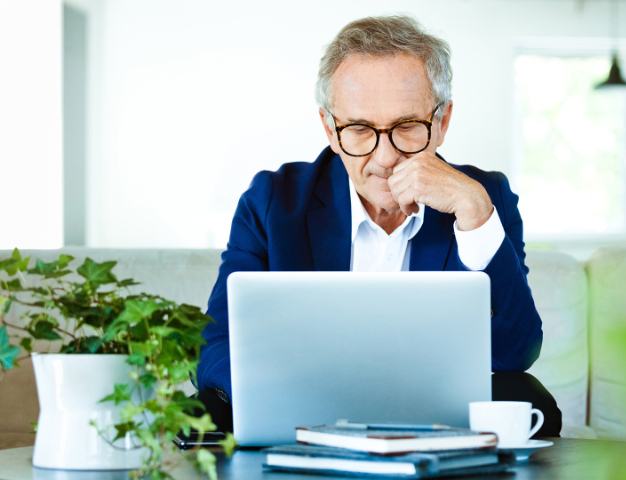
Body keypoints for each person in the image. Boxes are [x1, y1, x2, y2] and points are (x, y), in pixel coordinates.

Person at [196, 15, 561, 436]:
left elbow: (516, 351)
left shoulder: (486, 196)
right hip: (302, 413)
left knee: (528, 396)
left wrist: (476, 215)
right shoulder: (272, 201)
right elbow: (214, 345)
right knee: (206, 407)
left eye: (407, 127)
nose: (385, 158)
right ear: (330, 129)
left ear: (441, 122)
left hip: (440, 418)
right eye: (360, 129)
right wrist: (295, 392)